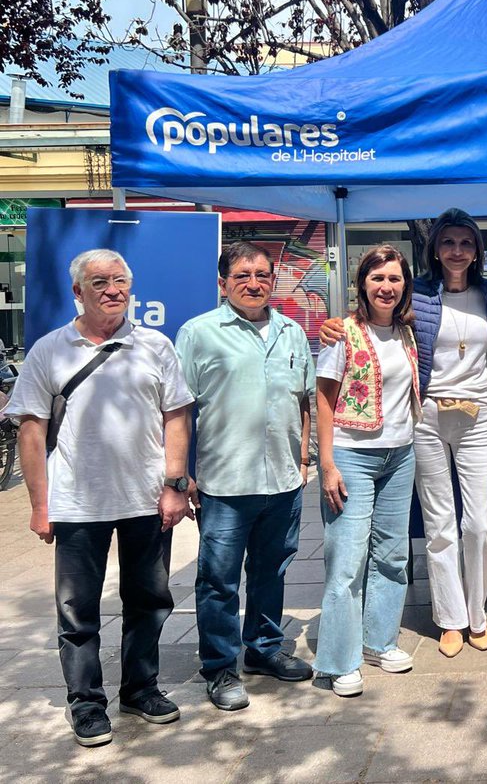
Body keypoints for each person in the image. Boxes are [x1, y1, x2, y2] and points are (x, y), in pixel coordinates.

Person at [9, 249, 193, 747]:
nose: (113, 290)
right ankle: (86, 705)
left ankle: (140, 689)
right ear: (78, 292)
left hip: (145, 499)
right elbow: (31, 430)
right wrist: (39, 505)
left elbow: (177, 415)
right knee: (77, 612)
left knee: (149, 603)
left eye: (121, 281)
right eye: (99, 282)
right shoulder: (50, 350)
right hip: (76, 503)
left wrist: (175, 485)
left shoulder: (155, 345)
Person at [320, 209, 487, 659]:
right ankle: (450, 618)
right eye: (449, 242)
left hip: (479, 412)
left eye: (467, 242)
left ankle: (478, 614)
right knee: (439, 521)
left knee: (480, 523)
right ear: (435, 249)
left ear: (478, 250)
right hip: (425, 414)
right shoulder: (419, 293)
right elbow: (373, 314)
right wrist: (335, 324)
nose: (458, 251)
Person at [175, 242, 316, 712]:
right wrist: (181, 475)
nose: (253, 283)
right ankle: (219, 667)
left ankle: (263, 650)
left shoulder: (293, 331)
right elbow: (178, 410)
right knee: (218, 580)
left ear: (272, 280)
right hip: (225, 482)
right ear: (223, 283)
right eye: (242, 275)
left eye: (261, 274)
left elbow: (304, 400)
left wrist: (304, 459)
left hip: (282, 480)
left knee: (271, 571)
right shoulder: (199, 333)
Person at [313, 246, 422, 696]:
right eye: (377, 278)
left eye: (394, 279)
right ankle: (339, 661)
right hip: (353, 454)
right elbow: (322, 396)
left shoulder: (406, 332)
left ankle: (379, 640)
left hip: (400, 453)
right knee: (346, 559)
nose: (386, 287)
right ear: (362, 284)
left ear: (404, 285)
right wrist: (326, 463)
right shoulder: (342, 334)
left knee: (392, 555)